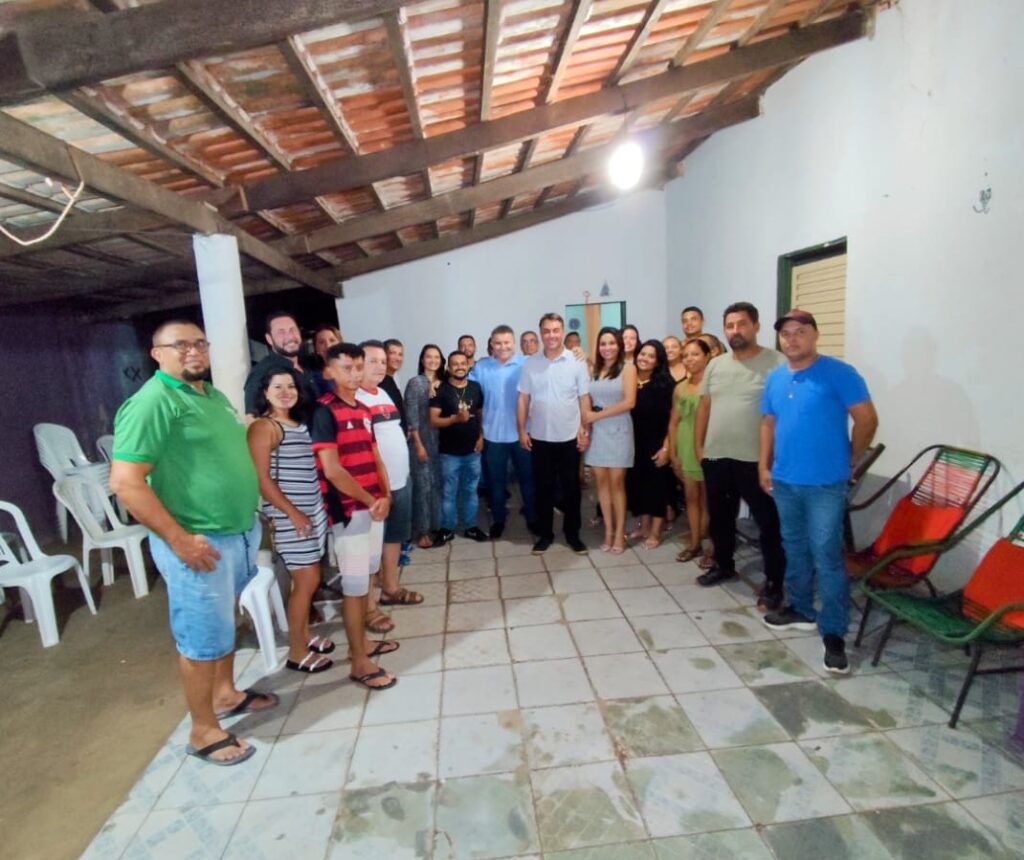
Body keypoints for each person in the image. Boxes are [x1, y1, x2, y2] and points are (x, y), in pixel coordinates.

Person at [110, 320, 277, 766]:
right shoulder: (152, 402)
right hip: (197, 542)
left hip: (235, 533)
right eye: (180, 345)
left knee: (223, 622)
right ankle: (203, 730)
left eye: (200, 342)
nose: (193, 351)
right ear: (156, 354)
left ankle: (225, 694)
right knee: (201, 638)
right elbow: (125, 482)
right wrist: (179, 539)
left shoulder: (212, 395)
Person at [760, 309, 878, 674]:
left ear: (814, 335)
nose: (792, 339)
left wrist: (852, 457)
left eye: (800, 332)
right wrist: (763, 465)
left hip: (825, 483)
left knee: (826, 554)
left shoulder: (839, 373)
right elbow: (768, 422)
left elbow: (867, 419)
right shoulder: (776, 378)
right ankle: (801, 608)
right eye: (786, 334)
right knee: (794, 547)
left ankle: (834, 631)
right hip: (785, 481)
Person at [311, 343, 398, 690]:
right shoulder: (323, 411)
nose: (354, 373)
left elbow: (375, 457)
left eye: (358, 367)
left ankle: (361, 643)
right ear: (329, 372)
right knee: (354, 586)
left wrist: (386, 495)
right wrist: (370, 499)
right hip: (349, 511)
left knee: (367, 578)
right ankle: (359, 662)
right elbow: (332, 470)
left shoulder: (363, 409)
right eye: (346, 367)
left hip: (373, 506)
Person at [694, 302, 787, 610]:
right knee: (720, 518)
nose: (735, 330)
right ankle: (724, 565)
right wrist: (700, 448)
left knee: (768, 523)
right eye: (730, 325)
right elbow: (704, 407)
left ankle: (774, 583)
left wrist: (772, 458)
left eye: (742, 324)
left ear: (756, 326)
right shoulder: (716, 365)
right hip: (717, 456)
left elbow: (783, 414)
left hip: (756, 461)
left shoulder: (776, 363)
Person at [246, 368, 332, 673]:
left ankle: (304, 635)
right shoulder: (264, 427)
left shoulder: (298, 424)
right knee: (307, 581)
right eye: (277, 387)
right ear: (265, 392)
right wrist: (293, 513)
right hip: (289, 517)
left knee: (307, 581)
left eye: (290, 386)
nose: (286, 392)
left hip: (311, 512)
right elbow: (261, 479)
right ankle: (297, 652)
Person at [357, 341, 423, 618]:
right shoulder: (355, 398)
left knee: (394, 537)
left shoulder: (383, 393)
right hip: (376, 488)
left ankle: (390, 589)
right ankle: (368, 607)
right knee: (370, 549)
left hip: (399, 480)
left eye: (383, 361)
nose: (380, 366)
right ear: (358, 364)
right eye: (372, 361)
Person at [517, 313, 591, 555]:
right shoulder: (530, 364)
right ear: (541, 333)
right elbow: (523, 398)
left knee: (572, 490)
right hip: (540, 437)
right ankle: (545, 535)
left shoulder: (577, 361)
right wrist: (521, 430)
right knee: (543, 490)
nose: (551, 335)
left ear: (562, 332)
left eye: (556, 330)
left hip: (569, 437)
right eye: (547, 330)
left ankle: (573, 535)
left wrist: (585, 429)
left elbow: (584, 398)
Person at [470, 324, 536, 539]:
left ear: (513, 343)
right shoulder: (482, 367)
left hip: (522, 435)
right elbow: (463, 388)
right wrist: (435, 385)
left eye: (506, 342)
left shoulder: (527, 363)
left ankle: (533, 518)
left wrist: (577, 354)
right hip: (493, 436)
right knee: (495, 483)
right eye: (498, 343)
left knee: (528, 480)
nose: (502, 347)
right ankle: (498, 519)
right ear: (491, 344)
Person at [582, 327, 636, 553]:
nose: (607, 348)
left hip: (619, 428)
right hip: (598, 433)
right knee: (601, 484)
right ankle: (609, 531)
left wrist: (596, 416)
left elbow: (629, 402)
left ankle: (620, 533)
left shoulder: (628, 368)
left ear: (619, 345)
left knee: (617, 484)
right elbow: (585, 398)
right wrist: (586, 425)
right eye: (603, 344)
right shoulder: (594, 369)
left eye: (612, 343)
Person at [430, 351, 487, 542]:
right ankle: (447, 528)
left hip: (473, 451)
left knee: (470, 491)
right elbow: (433, 420)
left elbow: (480, 415)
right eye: (455, 364)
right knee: (449, 493)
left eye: (463, 363)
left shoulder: (475, 387)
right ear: (448, 368)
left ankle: (471, 527)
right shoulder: (441, 389)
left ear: (468, 366)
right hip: (449, 453)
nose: (460, 367)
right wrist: (455, 419)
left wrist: (481, 437)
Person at [627, 339, 675, 549]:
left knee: (656, 489)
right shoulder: (630, 381)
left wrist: (667, 447)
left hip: (657, 443)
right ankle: (643, 527)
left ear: (658, 361)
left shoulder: (665, 385)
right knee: (638, 487)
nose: (644, 358)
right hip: (633, 443)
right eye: (642, 354)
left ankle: (655, 532)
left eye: (651, 356)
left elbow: (673, 420)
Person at [669, 338, 713, 566]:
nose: (689, 359)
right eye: (685, 355)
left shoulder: (714, 386)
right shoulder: (680, 388)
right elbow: (674, 422)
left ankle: (713, 547)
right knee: (691, 498)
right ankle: (695, 543)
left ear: (707, 356)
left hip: (709, 445)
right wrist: (673, 452)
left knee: (711, 500)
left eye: (695, 354)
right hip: (685, 445)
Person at [405, 345, 445, 548]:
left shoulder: (444, 383)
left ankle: (436, 526)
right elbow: (411, 417)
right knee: (423, 487)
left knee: (437, 485)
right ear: (422, 360)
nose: (433, 360)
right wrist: (418, 444)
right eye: (429, 357)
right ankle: (422, 531)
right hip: (421, 441)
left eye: (436, 357)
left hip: (441, 442)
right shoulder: (415, 383)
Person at [243, 310, 318, 417]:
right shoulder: (262, 372)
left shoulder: (308, 365)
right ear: (269, 339)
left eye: (292, 329)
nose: (290, 336)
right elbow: (252, 418)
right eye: (281, 332)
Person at [380, 338, 407, 432]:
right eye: (393, 353)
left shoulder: (393, 380)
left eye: (400, 354)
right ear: (384, 355)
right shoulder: (380, 383)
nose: (397, 358)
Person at [311, 324, 342, 396]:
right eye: (321, 342)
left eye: (332, 340)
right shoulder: (313, 377)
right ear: (316, 349)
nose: (328, 346)